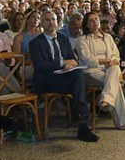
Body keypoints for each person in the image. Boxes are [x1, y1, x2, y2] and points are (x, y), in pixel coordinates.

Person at [29, 12, 99, 142]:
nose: (51, 22)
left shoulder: (63, 39)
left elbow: (72, 59)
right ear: (42, 23)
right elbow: (40, 66)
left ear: (57, 21)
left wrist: (72, 64)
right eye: (47, 20)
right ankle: (81, 120)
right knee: (78, 83)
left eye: (53, 19)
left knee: (78, 75)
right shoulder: (35, 43)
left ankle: (82, 125)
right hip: (47, 79)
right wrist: (62, 63)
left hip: (65, 76)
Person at [77, 12, 125, 130]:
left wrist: (114, 60)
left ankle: (106, 99)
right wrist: (105, 61)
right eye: (91, 20)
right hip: (90, 71)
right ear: (86, 25)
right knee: (114, 82)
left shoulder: (108, 37)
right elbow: (87, 60)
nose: (95, 22)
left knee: (115, 69)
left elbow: (116, 54)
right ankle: (122, 122)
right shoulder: (82, 39)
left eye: (96, 19)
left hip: (109, 69)